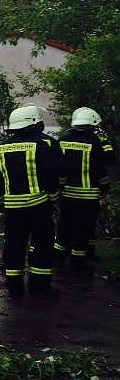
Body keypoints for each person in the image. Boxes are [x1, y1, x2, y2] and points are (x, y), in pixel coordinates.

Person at [0, 107, 60, 298]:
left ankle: (14, 286)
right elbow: (51, 175)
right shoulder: (42, 145)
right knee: (42, 244)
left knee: (14, 244)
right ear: (34, 122)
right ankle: (39, 286)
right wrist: (54, 198)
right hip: (39, 205)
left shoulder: (1, 148)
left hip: (13, 207)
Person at [54, 107, 113, 270]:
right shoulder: (95, 142)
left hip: (66, 193)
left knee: (64, 225)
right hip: (87, 195)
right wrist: (105, 140)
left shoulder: (62, 139)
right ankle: (77, 261)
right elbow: (107, 162)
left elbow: (58, 167)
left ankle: (58, 257)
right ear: (92, 124)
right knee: (83, 228)